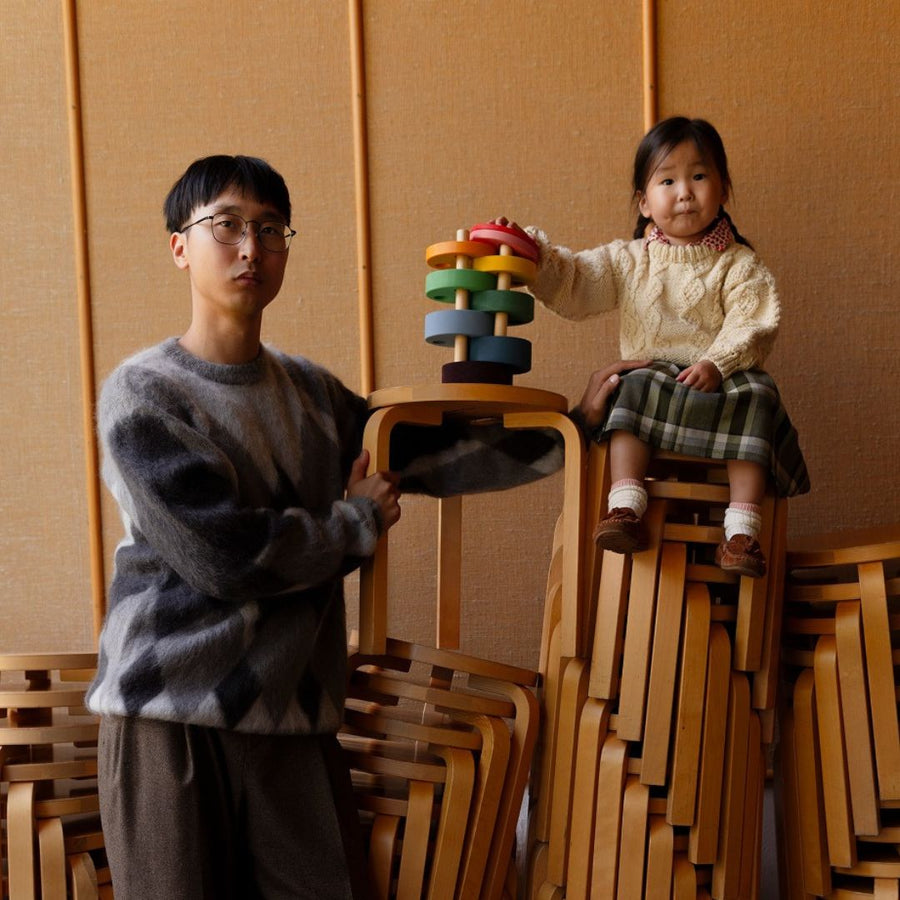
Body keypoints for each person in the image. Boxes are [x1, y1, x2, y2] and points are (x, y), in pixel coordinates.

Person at [86, 154, 566, 899]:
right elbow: (226, 557)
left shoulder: (312, 393)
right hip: (167, 717)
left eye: (271, 229)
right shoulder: (142, 393)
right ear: (179, 244)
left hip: (295, 722)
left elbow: (427, 457)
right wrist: (354, 524)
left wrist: (580, 428)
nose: (252, 248)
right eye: (228, 225)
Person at [497, 116, 809, 578]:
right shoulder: (629, 259)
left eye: (699, 176)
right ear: (645, 202)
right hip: (655, 379)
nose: (684, 191)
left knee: (760, 395)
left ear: (722, 189)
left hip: (721, 378)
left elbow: (754, 321)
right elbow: (578, 279)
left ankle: (742, 529)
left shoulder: (739, 264)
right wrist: (531, 253)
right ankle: (625, 505)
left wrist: (716, 362)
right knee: (627, 383)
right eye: (668, 180)